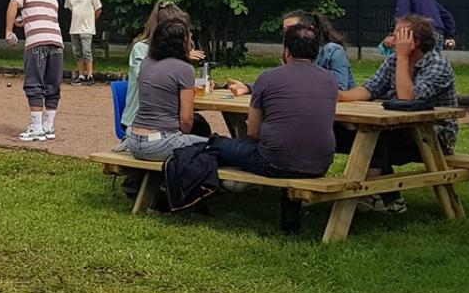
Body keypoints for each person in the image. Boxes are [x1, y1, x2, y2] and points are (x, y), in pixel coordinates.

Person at [341, 13, 459, 213]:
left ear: (416, 41)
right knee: (345, 133)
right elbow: (369, 89)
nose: (392, 39)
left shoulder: (437, 64)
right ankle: (382, 196)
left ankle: (373, 195)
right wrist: (336, 96)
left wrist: (403, 56)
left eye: (399, 35)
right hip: (399, 129)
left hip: (434, 137)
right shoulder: (394, 61)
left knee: (378, 137)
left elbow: (407, 102)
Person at [209, 21, 342, 177]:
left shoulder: (268, 77)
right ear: (316, 52)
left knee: (216, 144)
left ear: (286, 52)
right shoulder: (330, 80)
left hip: (274, 163)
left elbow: (253, 131)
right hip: (320, 165)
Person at [125, 11, 204, 162]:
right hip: (161, 143)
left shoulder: (146, 62)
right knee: (214, 146)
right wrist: (182, 136)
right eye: (190, 37)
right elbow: (186, 120)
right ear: (183, 42)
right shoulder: (184, 68)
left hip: (134, 140)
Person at [5, 0, 65, 142]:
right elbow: (43, 16)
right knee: (52, 85)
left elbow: (13, 4)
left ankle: (36, 128)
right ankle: (48, 126)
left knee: (34, 83)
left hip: (37, 44)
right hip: (57, 43)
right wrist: (22, 21)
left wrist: (9, 31)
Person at [284, 11, 354, 91]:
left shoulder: (332, 50)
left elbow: (340, 87)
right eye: (285, 30)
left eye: (292, 29)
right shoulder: (289, 53)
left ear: (310, 29)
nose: (287, 34)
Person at [391, 0, 456, 48]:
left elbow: (402, 14)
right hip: (438, 34)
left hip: (422, 35)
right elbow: (446, 15)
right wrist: (450, 36)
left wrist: (395, 34)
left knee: (406, 58)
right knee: (434, 60)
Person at [64, 0, 105, 82]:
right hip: (74, 27)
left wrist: (92, 21)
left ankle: (90, 75)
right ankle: (81, 75)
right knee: (77, 52)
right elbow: (70, 8)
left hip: (87, 28)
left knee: (87, 51)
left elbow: (98, 9)